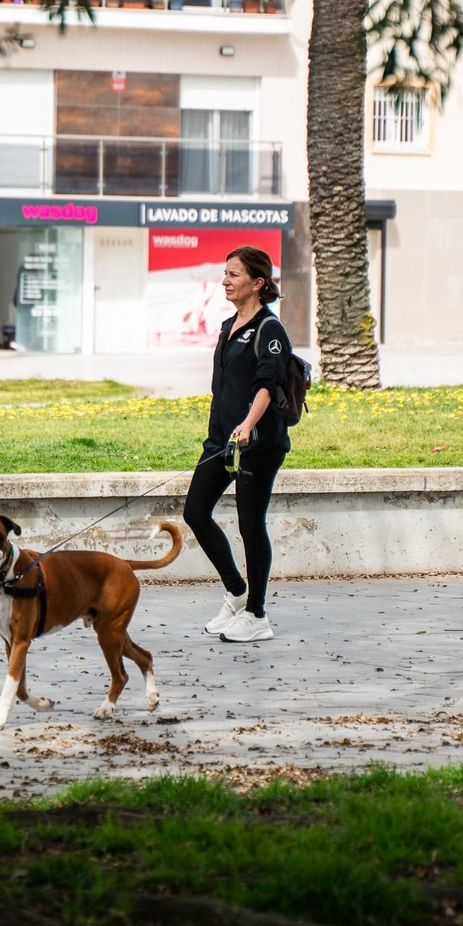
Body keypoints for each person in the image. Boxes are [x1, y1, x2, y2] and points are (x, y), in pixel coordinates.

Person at [182, 245, 291, 644]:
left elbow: (267, 384)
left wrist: (246, 425)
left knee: (250, 524)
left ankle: (257, 615)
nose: (225, 280)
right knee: (195, 512)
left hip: (258, 443)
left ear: (257, 283)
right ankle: (236, 591)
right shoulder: (229, 327)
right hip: (221, 442)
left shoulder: (269, 329)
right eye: (225, 273)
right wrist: (222, 431)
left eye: (234, 275)